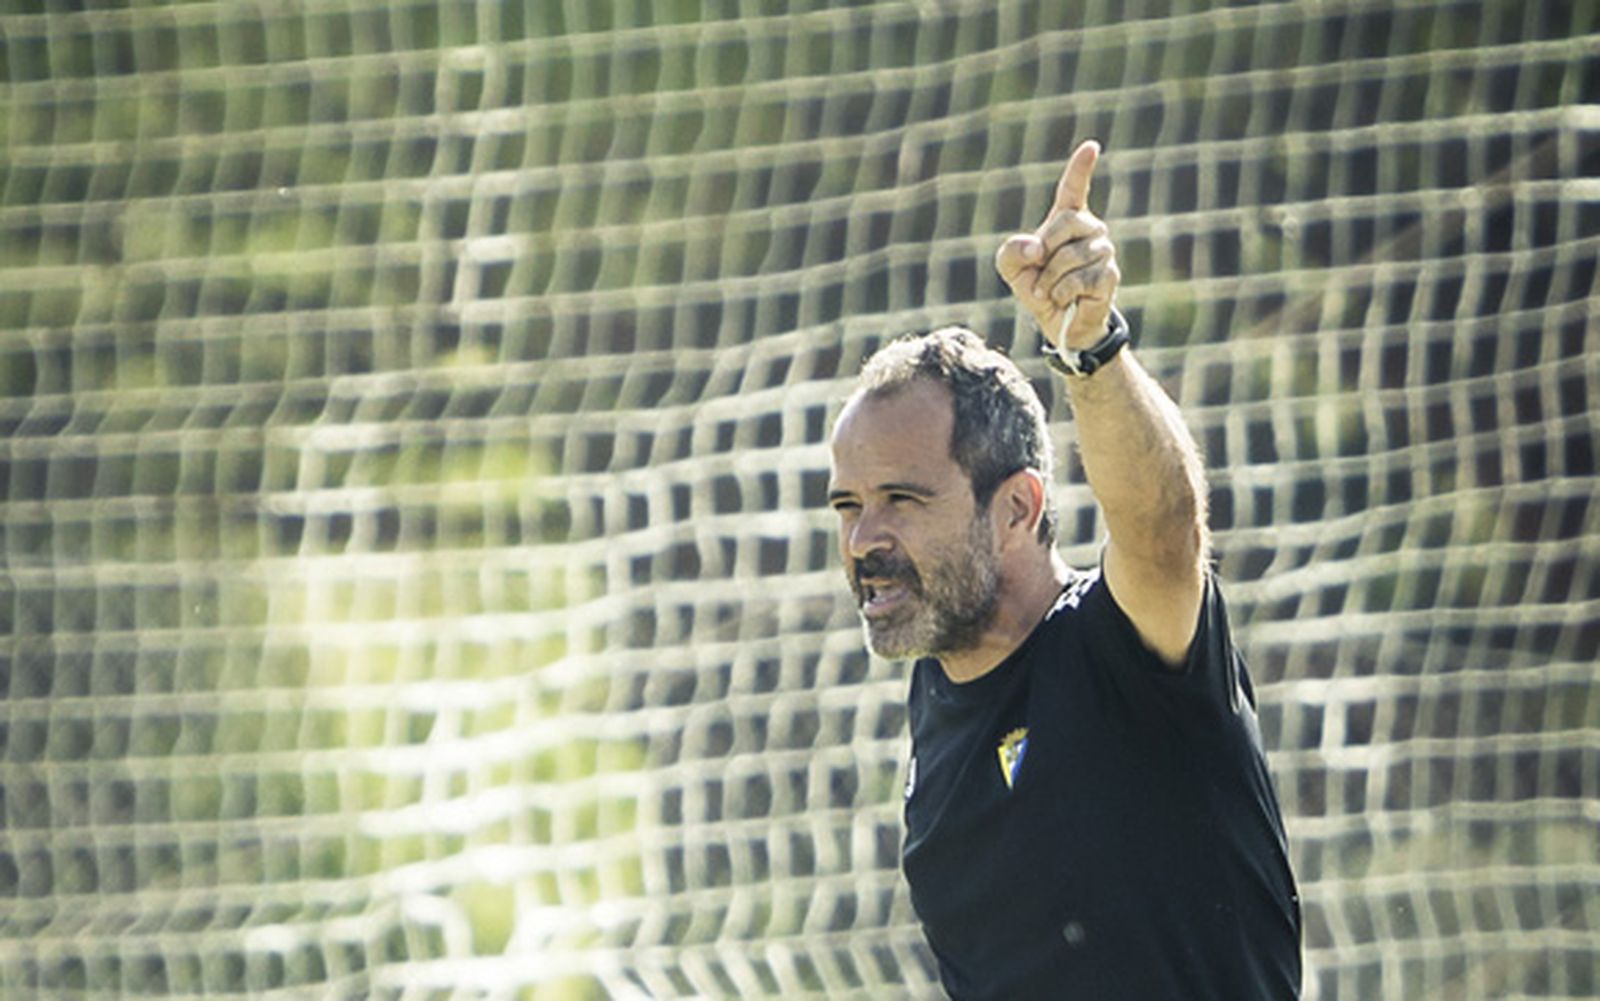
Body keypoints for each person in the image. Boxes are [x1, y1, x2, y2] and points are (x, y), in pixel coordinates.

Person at [827, 141, 1302, 999]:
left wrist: (1093, 348)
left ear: (1017, 507)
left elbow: (1163, 531)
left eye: (901, 497)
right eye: (848, 505)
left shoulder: (1122, 649)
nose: (865, 537)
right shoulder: (939, 688)